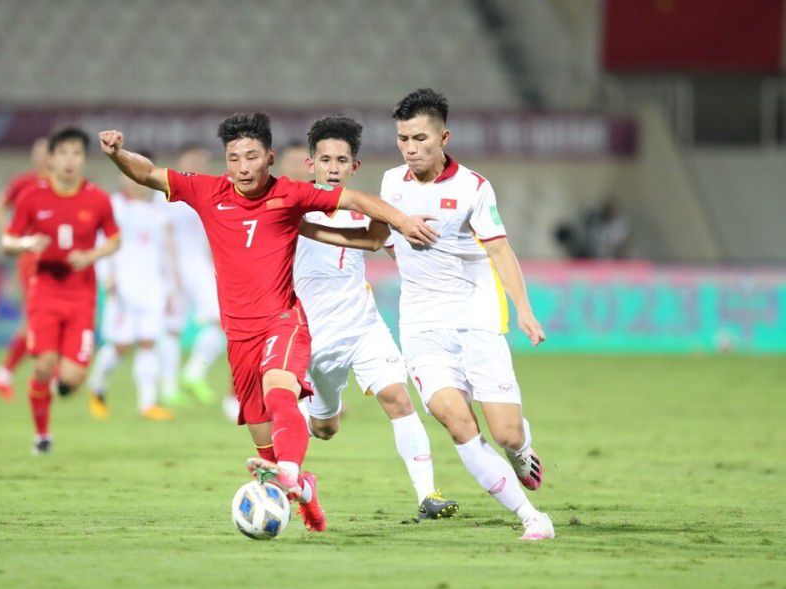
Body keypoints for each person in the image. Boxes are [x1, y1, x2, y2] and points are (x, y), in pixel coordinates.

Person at [98, 112, 438, 531]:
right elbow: (148, 173)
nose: (243, 166)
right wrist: (117, 155)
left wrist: (402, 222)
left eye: (252, 157)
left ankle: (293, 474)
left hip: (284, 319)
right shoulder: (207, 191)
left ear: (269, 158)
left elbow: (354, 200)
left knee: (281, 395)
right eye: (234, 157)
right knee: (264, 452)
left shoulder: (290, 194)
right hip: (239, 334)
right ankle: (304, 490)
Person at [382, 89, 554, 540]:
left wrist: (524, 311)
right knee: (457, 422)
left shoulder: (473, 187)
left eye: (419, 138)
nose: (410, 148)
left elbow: (499, 249)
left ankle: (521, 452)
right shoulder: (390, 184)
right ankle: (531, 517)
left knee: (507, 434)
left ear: (444, 137)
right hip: (420, 328)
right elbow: (376, 239)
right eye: (402, 138)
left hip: (476, 322)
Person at [294, 115, 458, 520]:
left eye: (342, 160)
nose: (334, 168)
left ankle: (428, 495)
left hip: (365, 327)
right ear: (310, 164)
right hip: (315, 339)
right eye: (326, 159)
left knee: (398, 399)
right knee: (324, 429)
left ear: (355, 167)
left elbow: (397, 249)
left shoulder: (367, 211)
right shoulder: (293, 210)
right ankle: (309, 445)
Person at [2, 126, 121, 454]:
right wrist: (27, 243)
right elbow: (7, 241)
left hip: (82, 296)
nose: (70, 160)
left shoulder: (97, 198)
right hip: (46, 291)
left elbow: (115, 239)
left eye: (77, 154)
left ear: (84, 159)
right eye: (63, 153)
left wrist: (91, 255)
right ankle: (42, 436)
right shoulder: (32, 197)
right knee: (43, 364)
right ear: (51, 159)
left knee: (71, 377)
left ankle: (53, 388)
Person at [88, 170, 174, 421]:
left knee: (149, 342)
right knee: (121, 345)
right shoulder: (114, 206)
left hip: (153, 288)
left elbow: (164, 251)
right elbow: (101, 242)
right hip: (124, 286)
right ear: (123, 178)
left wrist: (169, 286)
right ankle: (97, 387)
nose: (137, 183)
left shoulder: (158, 210)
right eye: (132, 177)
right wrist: (106, 275)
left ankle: (147, 403)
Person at [152, 145, 226, 407]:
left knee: (221, 319)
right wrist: (172, 274)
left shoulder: (206, 191)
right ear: (181, 159)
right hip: (173, 267)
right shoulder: (166, 191)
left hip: (199, 265)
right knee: (171, 327)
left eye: (203, 160)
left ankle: (193, 373)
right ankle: (170, 387)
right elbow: (166, 233)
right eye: (193, 158)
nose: (198, 164)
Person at [0, 136, 50, 400]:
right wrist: (14, 238)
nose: (41, 157)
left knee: (47, 316)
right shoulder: (25, 183)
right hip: (33, 258)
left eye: (46, 152)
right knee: (37, 316)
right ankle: (5, 372)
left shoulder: (67, 185)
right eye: (37, 151)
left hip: (60, 259)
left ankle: (42, 371)